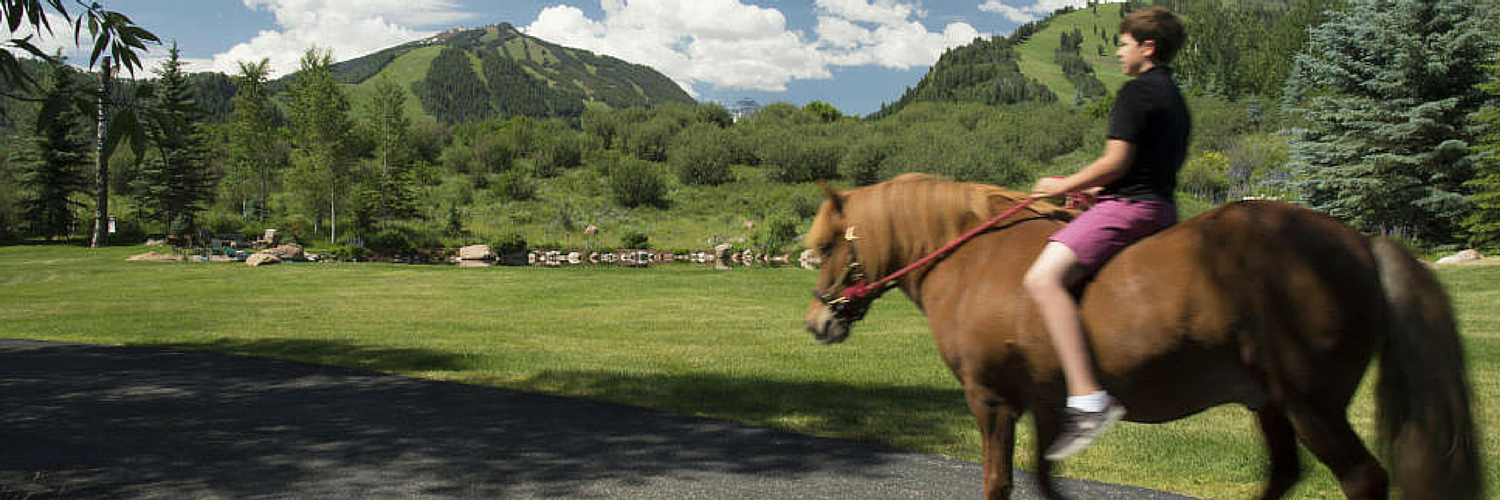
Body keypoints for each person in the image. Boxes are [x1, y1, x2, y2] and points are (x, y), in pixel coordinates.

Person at [1022, 6, 1190, 461]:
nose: (1118, 52)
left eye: (1123, 43)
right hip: (1160, 210)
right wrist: (1094, 190)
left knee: (1042, 279)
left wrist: (1063, 186)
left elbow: (1116, 161)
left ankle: (1087, 398)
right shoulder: (1174, 96)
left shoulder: (1136, 92)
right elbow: (1146, 168)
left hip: (1129, 211)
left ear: (1147, 47)